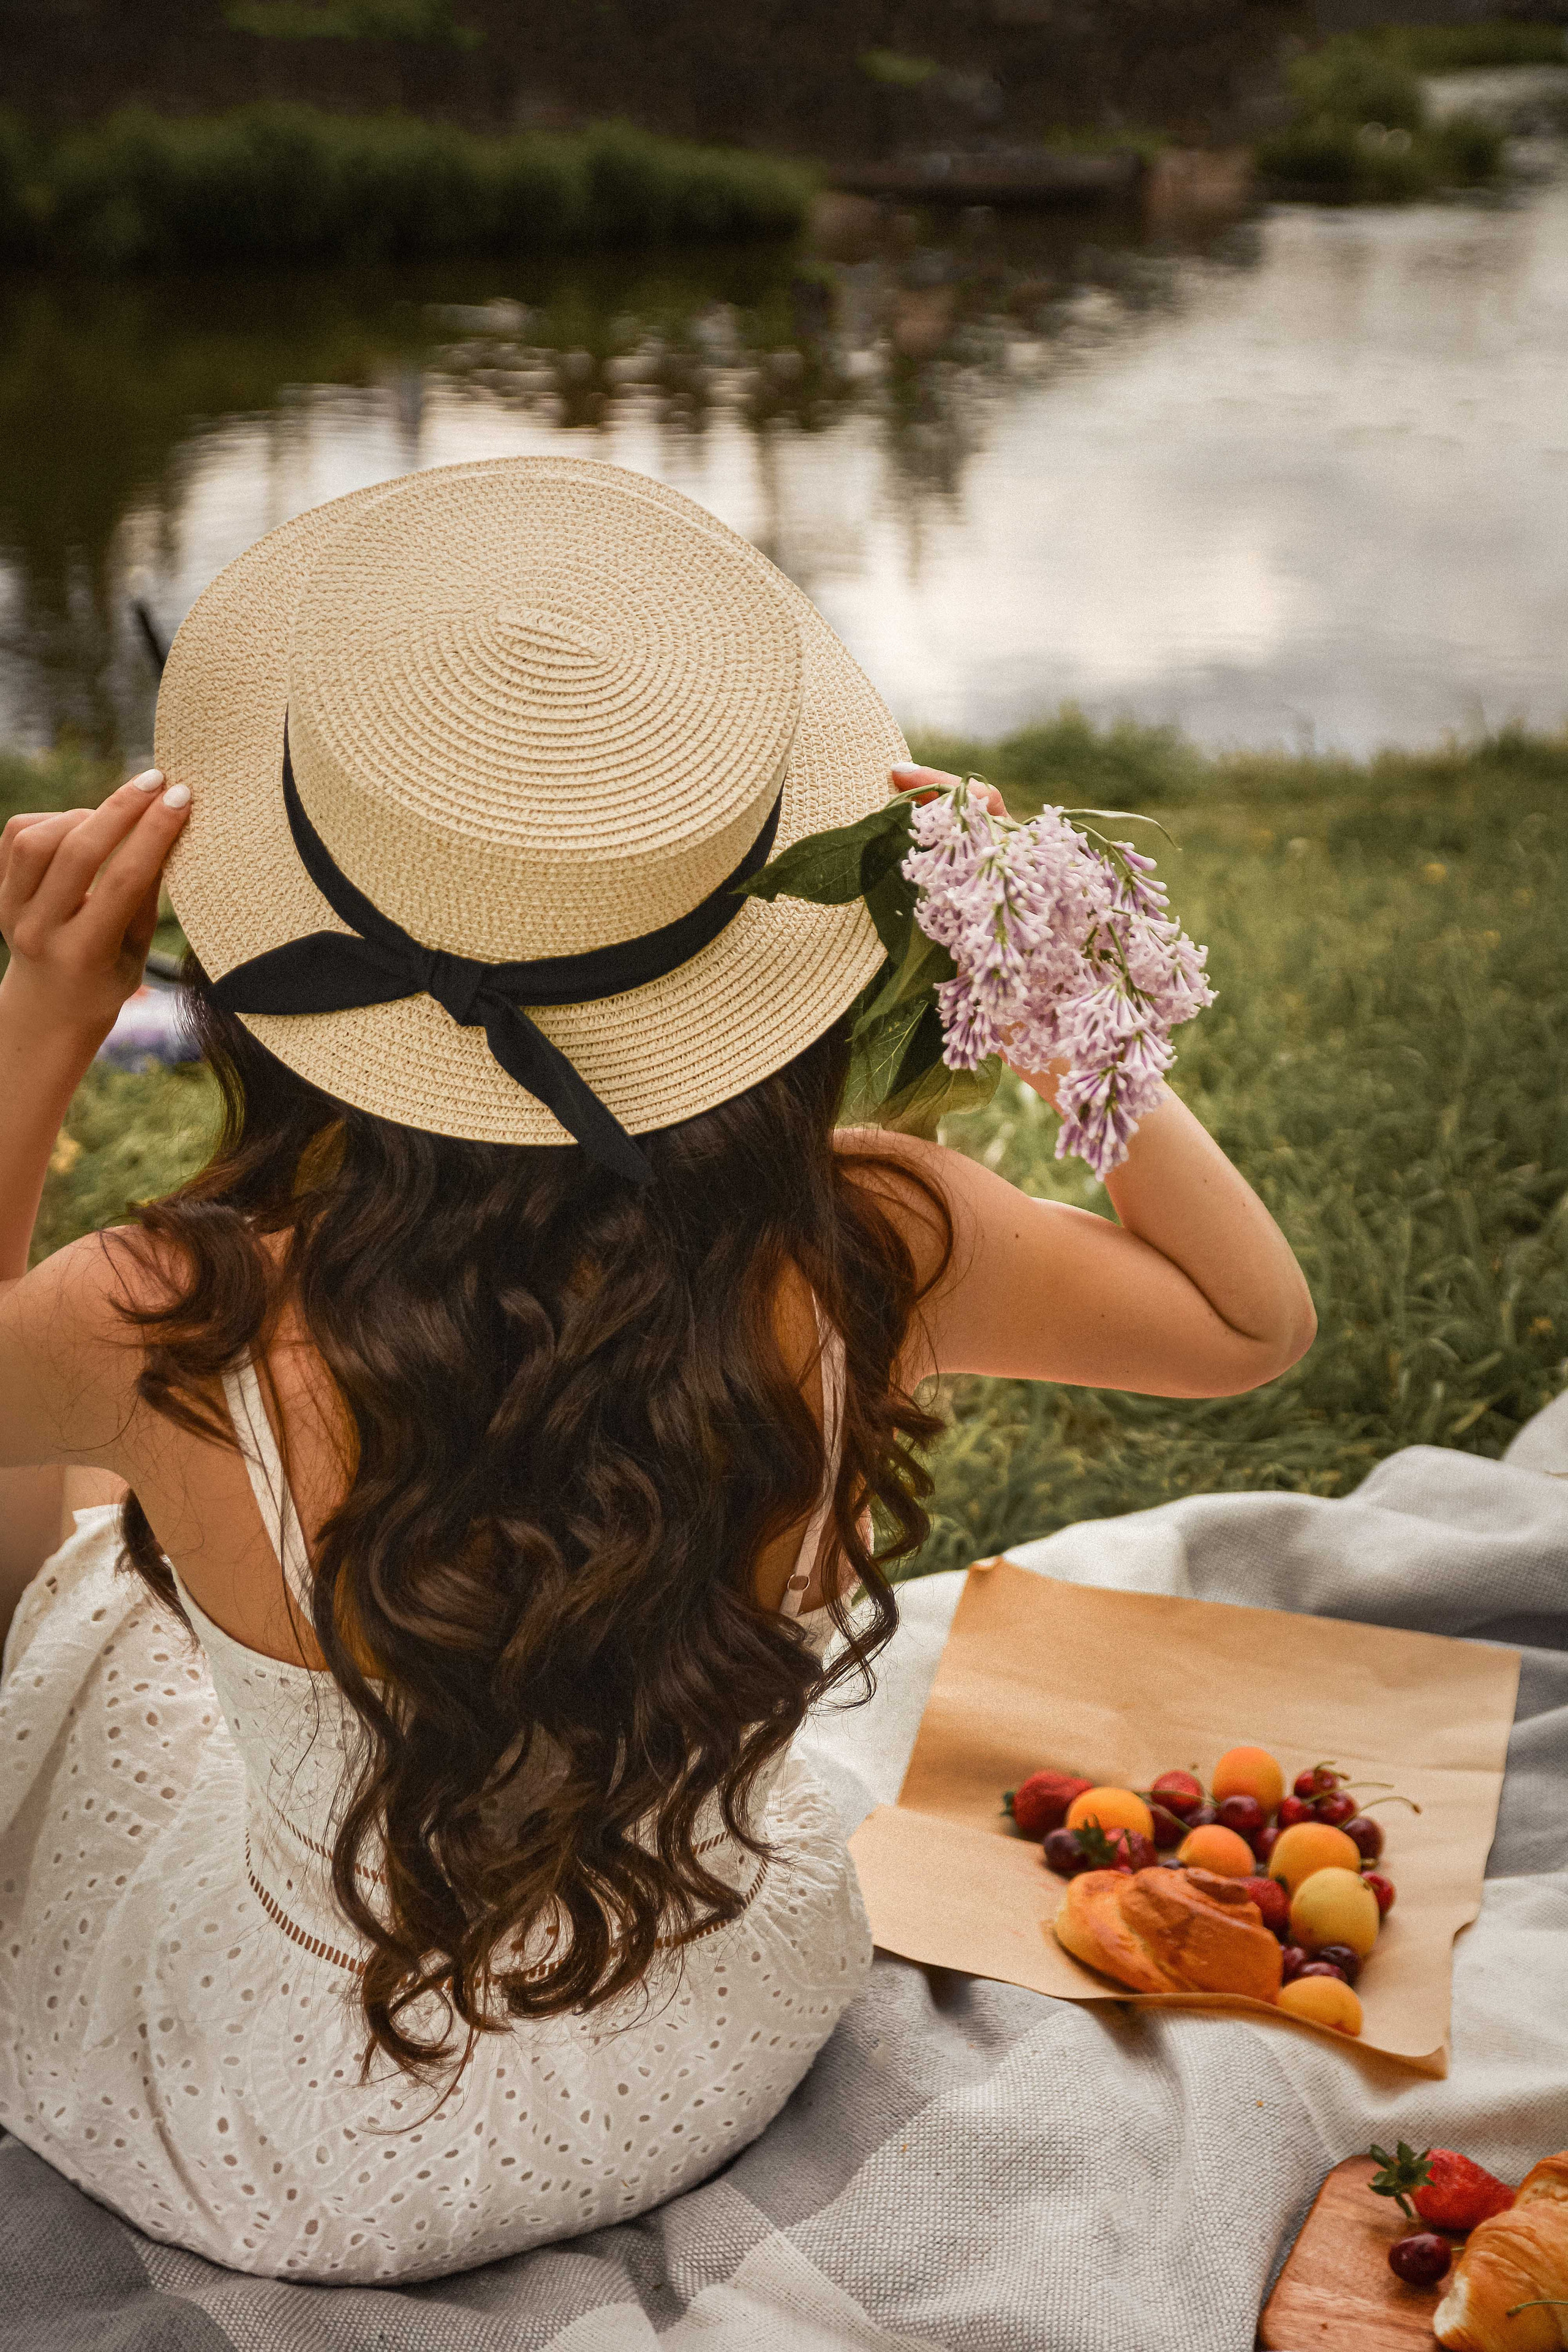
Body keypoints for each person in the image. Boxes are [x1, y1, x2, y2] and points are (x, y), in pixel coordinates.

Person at [0, 459, 1314, 2283]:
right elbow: (1255, 1325)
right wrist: (1049, 968)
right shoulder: (868, 1239)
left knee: (51, 1542)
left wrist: (41, 1027)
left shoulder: (161, 1314)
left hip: (305, 2143)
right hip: (714, 2042)